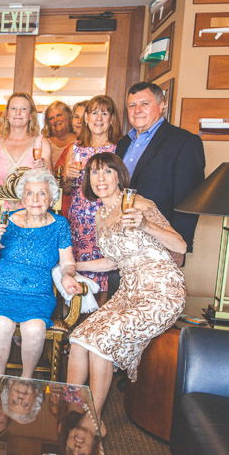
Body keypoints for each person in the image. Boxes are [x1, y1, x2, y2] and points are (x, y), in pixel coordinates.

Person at [68, 152, 187, 437]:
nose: (100, 179)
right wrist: (73, 266)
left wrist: (146, 225)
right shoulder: (101, 215)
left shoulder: (140, 205)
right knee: (78, 339)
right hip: (128, 291)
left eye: (107, 172)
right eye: (94, 173)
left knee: (101, 342)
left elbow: (180, 246)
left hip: (161, 290)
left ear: (119, 176)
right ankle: (70, 410)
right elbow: (113, 262)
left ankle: (94, 419)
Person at [0, 169, 80, 378]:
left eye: (42, 193)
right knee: (1, 324)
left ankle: (26, 381)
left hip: (37, 293)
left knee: (34, 329)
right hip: (0, 289)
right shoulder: (6, 220)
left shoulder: (60, 225)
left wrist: (68, 274)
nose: (35, 199)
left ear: (51, 197)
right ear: (22, 198)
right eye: (29, 193)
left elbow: (67, 262)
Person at [116, 81, 205, 253]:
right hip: (123, 237)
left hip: (159, 240)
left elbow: (189, 199)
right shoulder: (123, 143)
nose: (137, 110)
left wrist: (179, 245)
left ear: (162, 105)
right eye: (132, 105)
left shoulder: (184, 142)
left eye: (145, 104)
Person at [64, 95, 121, 306]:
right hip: (78, 223)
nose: (99, 118)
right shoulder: (75, 148)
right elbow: (66, 190)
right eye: (94, 112)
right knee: (74, 273)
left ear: (112, 119)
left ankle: (97, 327)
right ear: (86, 117)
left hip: (104, 221)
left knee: (103, 277)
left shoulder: (118, 149)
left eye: (104, 113)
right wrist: (68, 178)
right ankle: (72, 324)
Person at [0, 92, 52, 187]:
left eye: (23, 109)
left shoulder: (41, 143)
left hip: (33, 202)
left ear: (31, 115)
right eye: (13, 108)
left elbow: (51, 185)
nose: (18, 113)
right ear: (7, 114)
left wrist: (44, 169)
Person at [43, 100, 77, 172]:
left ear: (68, 116)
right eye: (51, 118)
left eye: (59, 115)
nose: (55, 120)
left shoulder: (80, 141)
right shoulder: (44, 142)